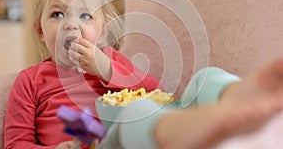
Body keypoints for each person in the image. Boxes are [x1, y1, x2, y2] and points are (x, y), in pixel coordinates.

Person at [4, 0, 163, 149]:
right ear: (41, 31)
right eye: (57, 15)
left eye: (85, 16)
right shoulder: (29, 81)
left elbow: (157, 93)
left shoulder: (111, 61)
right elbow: (16, 144)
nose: (71, 25)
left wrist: (106, 69)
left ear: (103, 32)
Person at [99, 57, 283, 149]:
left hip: (173, 110)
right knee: (136, 114)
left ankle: (233, 94)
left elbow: (150, 85)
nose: (70, 25)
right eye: (67, 14)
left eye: (86, 16)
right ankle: (218, 118)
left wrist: (103, 66)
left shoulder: (109, 57)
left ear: (106, 28)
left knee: (204, 78)